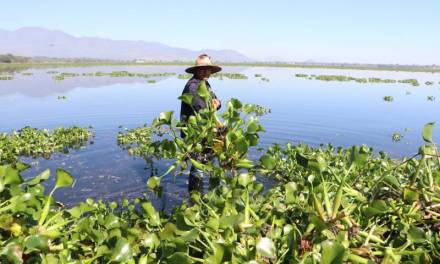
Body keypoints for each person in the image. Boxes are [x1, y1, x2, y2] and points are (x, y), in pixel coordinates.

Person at [180, 54, 222, 193]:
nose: (205, 71)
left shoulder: (205, 83)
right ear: (196, 70)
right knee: (198, 166)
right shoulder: (192, 86)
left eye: (208, 69)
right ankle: (195, 198)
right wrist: (213, 107)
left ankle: (215, 194)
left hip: (207, 131)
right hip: (194, 133)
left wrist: (218, 103)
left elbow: (215, 101)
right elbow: (202, 108)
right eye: (202, 69)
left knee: (214, 163)